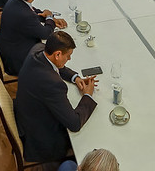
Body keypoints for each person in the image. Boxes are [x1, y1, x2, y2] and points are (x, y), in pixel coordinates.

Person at [15, 31, 97, 162]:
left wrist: (75, 78)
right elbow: (74, 124)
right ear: (58, 54)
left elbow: (56, 65)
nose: (69, 59)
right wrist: (88, 95)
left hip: (25, 113)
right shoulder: (54, 84)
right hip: (39, 135)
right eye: (68, 56)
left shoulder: (38, 50)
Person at [0, 0, 68, 75]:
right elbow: (46, 34)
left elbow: (32, 10)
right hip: (16, 57)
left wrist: (49, 19)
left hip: (8, 43)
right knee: (53, 52)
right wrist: (49, 17)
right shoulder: (26, 15)